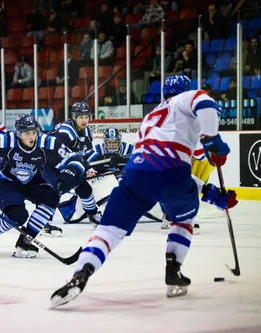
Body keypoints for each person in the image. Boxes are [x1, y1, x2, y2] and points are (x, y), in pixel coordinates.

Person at [50, 75, 236, 308]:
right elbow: (205, 103)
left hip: (136, 174)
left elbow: (157, 164)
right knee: (184, 218)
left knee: (108, 231)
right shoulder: (184, 98)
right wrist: (212, 139)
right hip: (174, 175)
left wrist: (207, 191)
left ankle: (80, 275)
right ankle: (173, 270)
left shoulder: (150, 117)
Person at [0, 114, 85, 258]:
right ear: (19, 134)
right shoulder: (5, 141)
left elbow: (75, 158)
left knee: (52, 197)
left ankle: (25, 240)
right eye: (26, 133)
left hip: (34, 182)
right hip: (9, 183)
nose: (31, 137)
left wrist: (70, 171)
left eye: (33, 132)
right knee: (18, 216)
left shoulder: (46, 142)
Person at [42, 102, 103, 236]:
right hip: (49, 163)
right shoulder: (65, 131)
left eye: (86, 117)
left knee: (84, 188)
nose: (84, 120)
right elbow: (55, 153)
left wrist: (93, 165)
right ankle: (44, 222)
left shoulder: (86, 131)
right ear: (74, 117)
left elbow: (86, 154)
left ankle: (93, 215)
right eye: (81, 117)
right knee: (54, 190)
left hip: (68, 163)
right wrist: (68, 170)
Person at [57, 126, 134, 225]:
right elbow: (90, 166)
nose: (112, 145)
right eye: (109, 143)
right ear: (105, 142)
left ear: (119, 142)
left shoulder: (129, 149)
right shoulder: (98, 150)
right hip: (105, 183)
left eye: (114, 142)